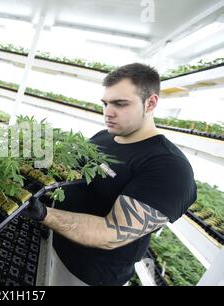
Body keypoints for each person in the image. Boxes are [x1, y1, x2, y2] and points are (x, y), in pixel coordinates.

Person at [22, 63, 197, 286]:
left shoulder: (170, 168)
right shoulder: (104, 136)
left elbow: (111, 233)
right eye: (105, 103)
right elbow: (75, 177)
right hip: (55, 242)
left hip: (89, 276)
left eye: (120, 104)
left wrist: (43, 213)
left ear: (150, 103)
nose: (108, 112)